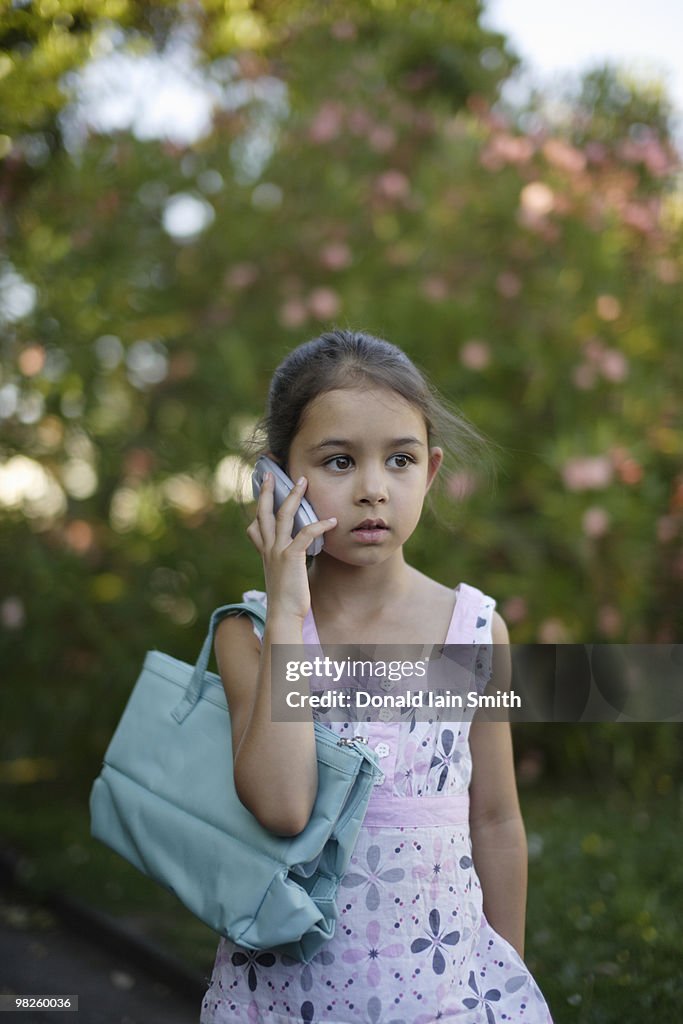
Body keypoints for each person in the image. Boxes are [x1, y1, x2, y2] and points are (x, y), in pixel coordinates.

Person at [200, 329, 553, 1023]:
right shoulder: (247, 634)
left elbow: (496, 818)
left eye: (399, 459)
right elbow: (282, 807)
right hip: (285, 996)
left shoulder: (473, 630)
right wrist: (287, 608)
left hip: (447, 994)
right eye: (338, 461)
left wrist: (501, 975)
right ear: (277, 479)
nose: (371, 490)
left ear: (430, 470)